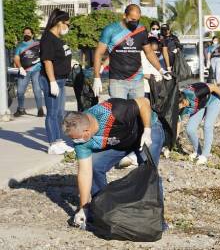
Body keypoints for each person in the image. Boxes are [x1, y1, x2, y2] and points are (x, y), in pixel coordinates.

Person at [62, 97, 165, 228]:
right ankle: (103, 208)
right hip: (121, 141)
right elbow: (85, 172)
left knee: (149, 173)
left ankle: (156, 219)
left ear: (87, 132)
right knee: (95, 166)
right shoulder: (81, 140)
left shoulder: (114, 111)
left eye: (76, 139)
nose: (75, 142)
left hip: (146, 130)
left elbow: (144, 102)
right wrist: (83, 208)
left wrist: (147, 130)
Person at [92, 4, 170, 100]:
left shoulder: (141, 30)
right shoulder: (111, 30)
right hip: (118, 81)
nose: (135, 23)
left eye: (137, 20)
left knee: (139, 112)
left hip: (137, 81)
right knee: (120, 112)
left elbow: (149, 52)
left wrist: (161, 70)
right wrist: (96, 77)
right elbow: (98, 53)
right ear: (124, 16)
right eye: (132, 20)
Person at [38, 9, 74, 155]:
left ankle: (59, 140)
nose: (68, 27)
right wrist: (52, 81)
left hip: (60, 79)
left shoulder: (57, 38)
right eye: (67, 24)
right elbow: (47, 61)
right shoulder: (48, 38)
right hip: (51, 80)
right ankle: (53, 144)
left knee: (59, 113)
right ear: (60, 22)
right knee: (52, 113)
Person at [180, 82, 220, 165]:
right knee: (190, 129)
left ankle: (205, 155)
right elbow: (177, 124)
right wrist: (169, 145)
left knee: (207, 125)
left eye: (180, 106)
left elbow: (213, 87)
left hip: (214, 99)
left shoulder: (195, 93)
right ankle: (198, 152)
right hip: (201, 104)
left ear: (184, 101)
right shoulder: (179, 104)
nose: (180, 109)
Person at [13, 27, 44, 117]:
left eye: (28, 33)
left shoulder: (38, 44)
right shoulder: (20, 46)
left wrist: (40, 59)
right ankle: (21, 109)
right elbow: (16, 57)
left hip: (36, 70)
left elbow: (44, 54)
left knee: (37, 90)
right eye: (25, 33)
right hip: (24, 71)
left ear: (32, 34)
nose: (26, 34)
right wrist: (20, 68)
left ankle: (40, 110)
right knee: (19, 91)